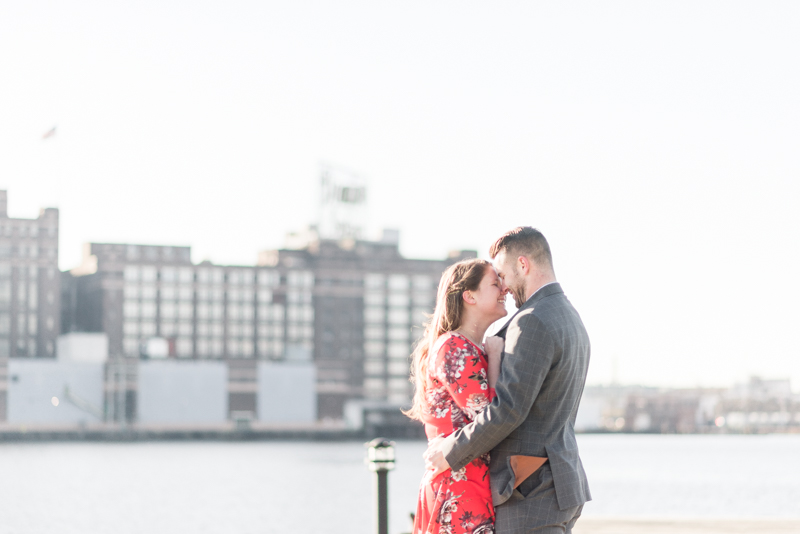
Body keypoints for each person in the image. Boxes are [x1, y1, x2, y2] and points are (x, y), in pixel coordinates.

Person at [424, 227, 591, 534]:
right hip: (559, 483)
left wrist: (449, 453)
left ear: (523, 265)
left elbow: (508, 410)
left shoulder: (532, 320)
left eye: (502, 275)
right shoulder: (569, 316)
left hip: (531, 490)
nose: (504, 287)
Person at [406, 258, 510, 534]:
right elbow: (491, 417)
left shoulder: (467, 347)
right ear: (469, 296)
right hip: (457, 486)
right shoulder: (455, 347)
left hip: (465, 481)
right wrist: (497, 357)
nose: (504, 290)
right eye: (495, 284)